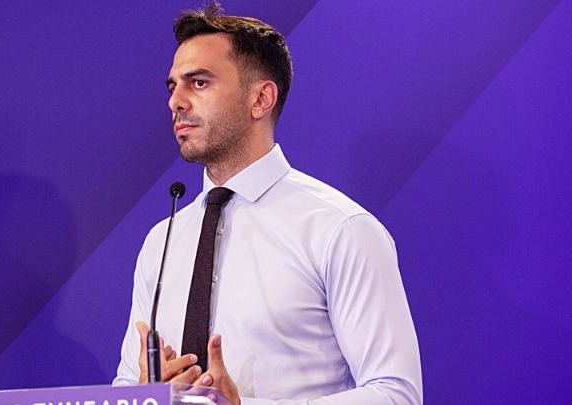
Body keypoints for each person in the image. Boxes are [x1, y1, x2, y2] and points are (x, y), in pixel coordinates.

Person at [113, 2, 422, 404]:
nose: (176, 102)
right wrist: (147, 394)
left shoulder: (339, 229)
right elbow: (125, 385)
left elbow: (397, 394)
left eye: (199, 83)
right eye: (173, 87)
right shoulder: (162, 241)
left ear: (261, 99)